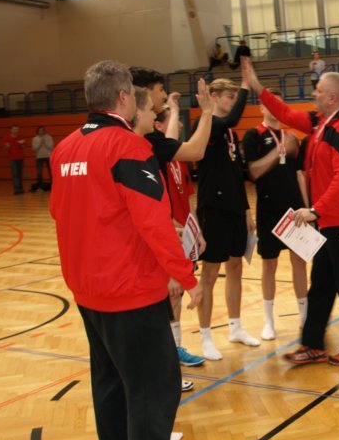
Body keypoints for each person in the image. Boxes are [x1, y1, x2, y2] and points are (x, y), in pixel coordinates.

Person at [49, 59, 203, 440]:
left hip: (88, 290)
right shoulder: (128, 147)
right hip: (130, 290)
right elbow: (153, 222)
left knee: (111, 384)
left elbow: (61, 212)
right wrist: (186, 276)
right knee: (154, 386)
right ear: (122, 97)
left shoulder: (65, 149)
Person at [242, 62, 339, 366]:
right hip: (329, 221)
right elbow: (287, 114)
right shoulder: (320, 122)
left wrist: (316, 210)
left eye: (318, 90)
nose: (313, 94)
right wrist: (258, 88)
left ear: (332, 97)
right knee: (322, 284)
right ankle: (312, 344)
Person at [131, 66, 214, 369]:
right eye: (160, 90)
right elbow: (196, 150)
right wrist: (207, 112)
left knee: (166, 302)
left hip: (158, 233)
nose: (164, 95)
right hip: (139, 246)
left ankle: (169, 360)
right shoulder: (131, 142)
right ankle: (161, 368)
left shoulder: (148, 139)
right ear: (143, 93)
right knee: (155, 305)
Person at [193, 78, 260, 361]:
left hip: (235, 208)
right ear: (214, 96)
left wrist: (246, 210)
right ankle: (206, 337)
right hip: (214, 209)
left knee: (236, 267)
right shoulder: (207, 125)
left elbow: (237, 175)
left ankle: (235, 327)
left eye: (235, 96)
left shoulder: (231, 134)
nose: (233, 101)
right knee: (209, 274)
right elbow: (230, 118)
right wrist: (246, 86)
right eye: (229, 96)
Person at [243, 96, 309, 340]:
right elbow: (253, 171)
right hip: (268, 210)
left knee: (299, 262)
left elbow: (299, 174)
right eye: (268, 104)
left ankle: (304, 318)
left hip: (295, 210)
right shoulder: (254, 135)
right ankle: (269, 322)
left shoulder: (292, 137)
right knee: (269, 265)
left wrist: (308, 208)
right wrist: (279, 150)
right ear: (261, 107)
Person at [4, 125, 25, 194]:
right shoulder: (7, 138)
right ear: (11, 130)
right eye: (14, 129)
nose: (16, 130)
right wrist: (7, 146)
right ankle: (16, 189)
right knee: (15, 174)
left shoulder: (21, 137)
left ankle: (21, 188)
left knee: (20, 174)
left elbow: (23, 147)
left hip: (20, 158)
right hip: (12, 158)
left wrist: (22, 144)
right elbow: (5, 148)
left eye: (17, 129)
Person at [31, 126, 54, 190]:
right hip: (39, 157)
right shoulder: (35, 139)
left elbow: (51, 148)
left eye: (42, 130)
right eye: (40, 130)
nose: (41, 132)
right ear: (38, 131)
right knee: (39, 172)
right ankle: (40, 187)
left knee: (51, 172)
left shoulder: (49, 137)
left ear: (44, 131)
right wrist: (40, 143)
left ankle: (53, 185)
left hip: (48, 156)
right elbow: (34, 149)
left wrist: (45, 143)